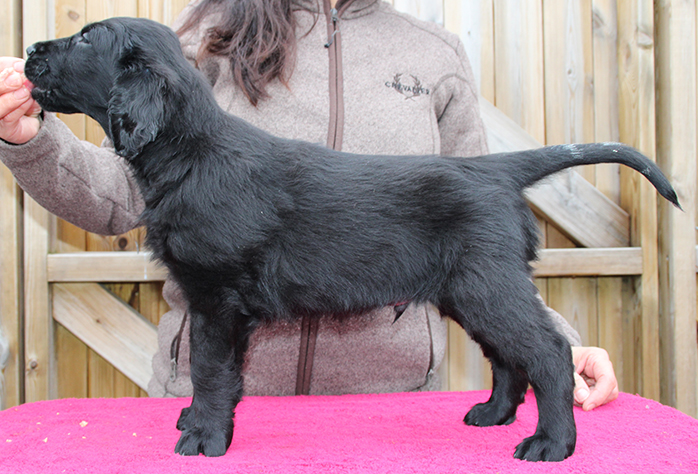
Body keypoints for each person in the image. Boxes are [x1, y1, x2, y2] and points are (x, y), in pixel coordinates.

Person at [0, 0, 617, 411]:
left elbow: (476, 229)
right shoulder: (208, 34)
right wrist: (31, 141)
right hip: (209, 404)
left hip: (388, 408)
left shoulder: (436, 54)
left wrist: (558, 344)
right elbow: (122, 193)